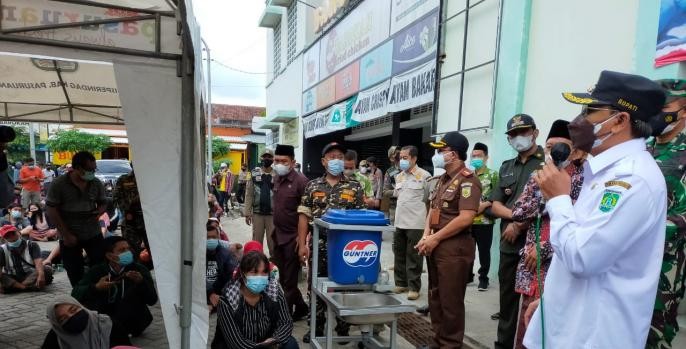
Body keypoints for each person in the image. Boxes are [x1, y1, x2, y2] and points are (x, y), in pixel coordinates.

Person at [523, 71, 667, 348]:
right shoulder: (603, 172)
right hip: (569, 323)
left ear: (620, 121)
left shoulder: (631, 179)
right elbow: (582, 242)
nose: (577, 121)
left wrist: (559, 200)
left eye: (590, 111)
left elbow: (583, 258)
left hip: (593, 335)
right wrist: (550, 302)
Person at [511, 120, 586, 349]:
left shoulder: (585, 180)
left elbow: (581, 227)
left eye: (560, 147)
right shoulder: (538, 177)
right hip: (530, 267)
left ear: (574, 151)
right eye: (549, 146)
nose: (553, 152)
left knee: (550, 329)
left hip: (558, 265)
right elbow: (518, 212)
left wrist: (545, 248)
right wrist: (543, 196)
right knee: (525, 328)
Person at [414, 132, 481, 348]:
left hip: (454, 248)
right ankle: (439, 340)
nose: (437, 155)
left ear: (453, 154)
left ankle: (450, 344)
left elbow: (466, 218)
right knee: (436, 297)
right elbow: (432, 210)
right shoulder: (442, 179)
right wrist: (426, 236)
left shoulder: (468, 180)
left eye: (441, 151)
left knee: (451, 301)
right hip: (436, 245)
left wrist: (435, 238)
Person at [297, 142, 365, 343]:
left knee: (345, 287)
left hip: (346, 248)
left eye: (340, 157)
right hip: (318, 246)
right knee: (315, 287)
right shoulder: (312, 185)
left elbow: (362, 217)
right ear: (323, 161)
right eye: (332, 156)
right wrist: (302, 244)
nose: (337, 160)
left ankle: (343, 328)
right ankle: (316, 327)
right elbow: (303, 216)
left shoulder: (354, 187)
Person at [489, 113, 545, 348]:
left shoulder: (548, 164)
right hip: (510, 244)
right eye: (513, 134)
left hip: (539, 247)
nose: (518, 137)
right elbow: (494, 204)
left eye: (523, 132)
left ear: (535, 133)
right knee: (508, 302)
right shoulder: (507, 167)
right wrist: (515, 217)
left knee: (537, 303)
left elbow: (550, 201)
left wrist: (519, 223)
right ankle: (503, 344)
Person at [645, 79, 686, 348]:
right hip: (629, 259)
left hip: (666, 260)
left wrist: (640, 231)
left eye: (666, 106)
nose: (658, 112)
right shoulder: (642, 149)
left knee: (655, 331)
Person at [72, 236, 158, 337]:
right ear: (110, 256)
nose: (128, 252)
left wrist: (141, 282)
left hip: (135, 325)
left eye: (128, 249)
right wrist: (96, 287)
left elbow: (152, 300)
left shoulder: (139, 269)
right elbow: (75, 293)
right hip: (105, 324)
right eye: (122, 250)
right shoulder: (97, 271)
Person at [214, 251, 298, 349]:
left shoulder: (274, 289)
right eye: (254, 272)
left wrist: (275, 339)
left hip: (268, 343)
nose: (260, 277)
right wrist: (260, 347)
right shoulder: (228, 298)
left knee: (291, 344)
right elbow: (235, 342)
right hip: (238, 346)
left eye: (264, 272)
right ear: (242, 273)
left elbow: (286, 322)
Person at [47, 151, 107, 287]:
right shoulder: (59, 184)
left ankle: (99, 295)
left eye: (94, 169)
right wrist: (66, 235)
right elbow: (51, 210)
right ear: (77, 168)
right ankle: (80, 296)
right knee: (74, 270)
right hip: (69, 233)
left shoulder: (96, 183)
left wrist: (99, 211)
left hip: (93, 232)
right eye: (90, 170)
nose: (92, 172)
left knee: (100, 266)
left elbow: (103, 202)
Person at [271, 144, 309, 320]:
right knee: (280, 277)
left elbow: (308, 213)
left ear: (292, 162)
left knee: (289, 281)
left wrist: (303, 240)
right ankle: (301, 308)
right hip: (278, 236)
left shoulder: (301, 182)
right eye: (276, 160)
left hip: (293, 239)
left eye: (283, 161)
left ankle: (283, 320)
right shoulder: (277, 178)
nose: (279, 164)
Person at [392, 145, 431, 301]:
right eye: (400, 158)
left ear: (414, 159)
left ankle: (414, 287)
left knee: (414, 256)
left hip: (417, 222)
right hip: (399, 221)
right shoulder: (399, 176)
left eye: (405, 158)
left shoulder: (425, 176)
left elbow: (430, 201)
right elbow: (398, 197)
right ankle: (401, 283)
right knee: (399, 254)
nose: (402, 160)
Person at [42, 295, 132, 349]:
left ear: (81, 306)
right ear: (57, 325)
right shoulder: (55, 339)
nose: (71, 317)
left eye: (73, 310)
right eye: (63, 319)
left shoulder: (108, 325)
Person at [469, 142, 499, 291]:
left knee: (483, 251)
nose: (476, 158)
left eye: (479, 156)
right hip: (468, 220)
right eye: (473, 156)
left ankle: (483, 279)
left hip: (485, 221)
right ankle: (468, 276)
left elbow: (497, 195)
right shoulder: (468, 175)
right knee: (468, 250)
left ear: (486, 157)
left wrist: (485, 204)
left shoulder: (493, 174)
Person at [0, 224, 52, 292]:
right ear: (4, 238)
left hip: (30, 275)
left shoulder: (31, 245)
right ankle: (25, 287)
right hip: (13, 277)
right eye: (7, 236)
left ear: (18, 232)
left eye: (13, 233)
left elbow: (38, 263)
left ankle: (17, 288)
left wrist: (41, 275)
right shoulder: (2, 249)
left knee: (46, 269)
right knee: (2, 278)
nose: (11, 237)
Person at [244, 149, 276, 257]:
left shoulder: (278, 174)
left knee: (273, 243)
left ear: (273, 159)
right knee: (256, 242)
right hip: (257, 214)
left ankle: (275, 266)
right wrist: (247, 212)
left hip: (273, 215)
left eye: (269, 157)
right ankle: (257, 265)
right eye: (264, 156)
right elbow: (249, 193)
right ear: (260, 158)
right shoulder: (254, 173)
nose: (266, 159)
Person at [113, 169, 148, 260]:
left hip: (149, 220)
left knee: (154, 249)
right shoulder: (124, 179)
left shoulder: (151, 178)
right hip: (130, 221)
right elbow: (116, 197)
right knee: (131, 250)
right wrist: (127, 210)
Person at [207, 222, 238, 313]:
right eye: (207, 238)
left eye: (213, 237)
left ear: (218, 238)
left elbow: (231, 277)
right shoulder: (197, 254)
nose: (210, 240)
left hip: (220, 295)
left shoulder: (226, 254)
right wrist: (210, 293)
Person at [382, 146, 401, 223]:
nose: (399, 154)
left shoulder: (410, 168)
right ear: (391, 158)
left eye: (399, 151)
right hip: (395, 206)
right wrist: (396, 192)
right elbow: (385, 191)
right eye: (396, 153)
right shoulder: (392, 171)